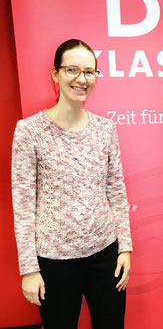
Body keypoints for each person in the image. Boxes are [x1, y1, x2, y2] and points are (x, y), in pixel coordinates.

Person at [12, 39, 132, 329]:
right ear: (56, 74)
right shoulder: (29, 132)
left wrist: (125, 247)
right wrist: (29, 269)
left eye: (90, 72)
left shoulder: (105, 129)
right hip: (53, 261)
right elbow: (24, 204)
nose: (82, 79)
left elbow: (116, 190)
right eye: (72, 70)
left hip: (106, 255)